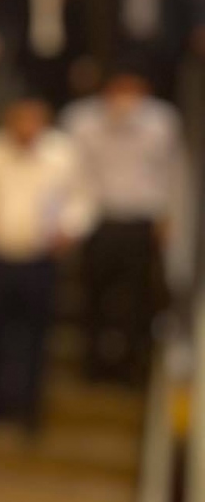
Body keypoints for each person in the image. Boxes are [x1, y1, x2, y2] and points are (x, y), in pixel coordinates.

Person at [0, 96, 93, 429]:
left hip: (40, 259)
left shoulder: (62, 153)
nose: (26, 128)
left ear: (44, 123)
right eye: (21, 120)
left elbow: (83, 199)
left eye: (33, 121)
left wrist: (69, 230)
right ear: (9, 121)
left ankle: (30, 409)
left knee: (37, 336)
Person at [63, 66, 185, 385]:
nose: (125, 98)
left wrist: (169, 218)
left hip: (142, 223)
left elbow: (173, 173)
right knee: (94, 296)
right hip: (97, 221)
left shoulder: (162, 121)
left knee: (140, 299)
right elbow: (72, 174)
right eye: (119, 89)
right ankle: (93, 365)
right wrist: (70, 221)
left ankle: (134, 365)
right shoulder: (80, 120)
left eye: (133, 90)